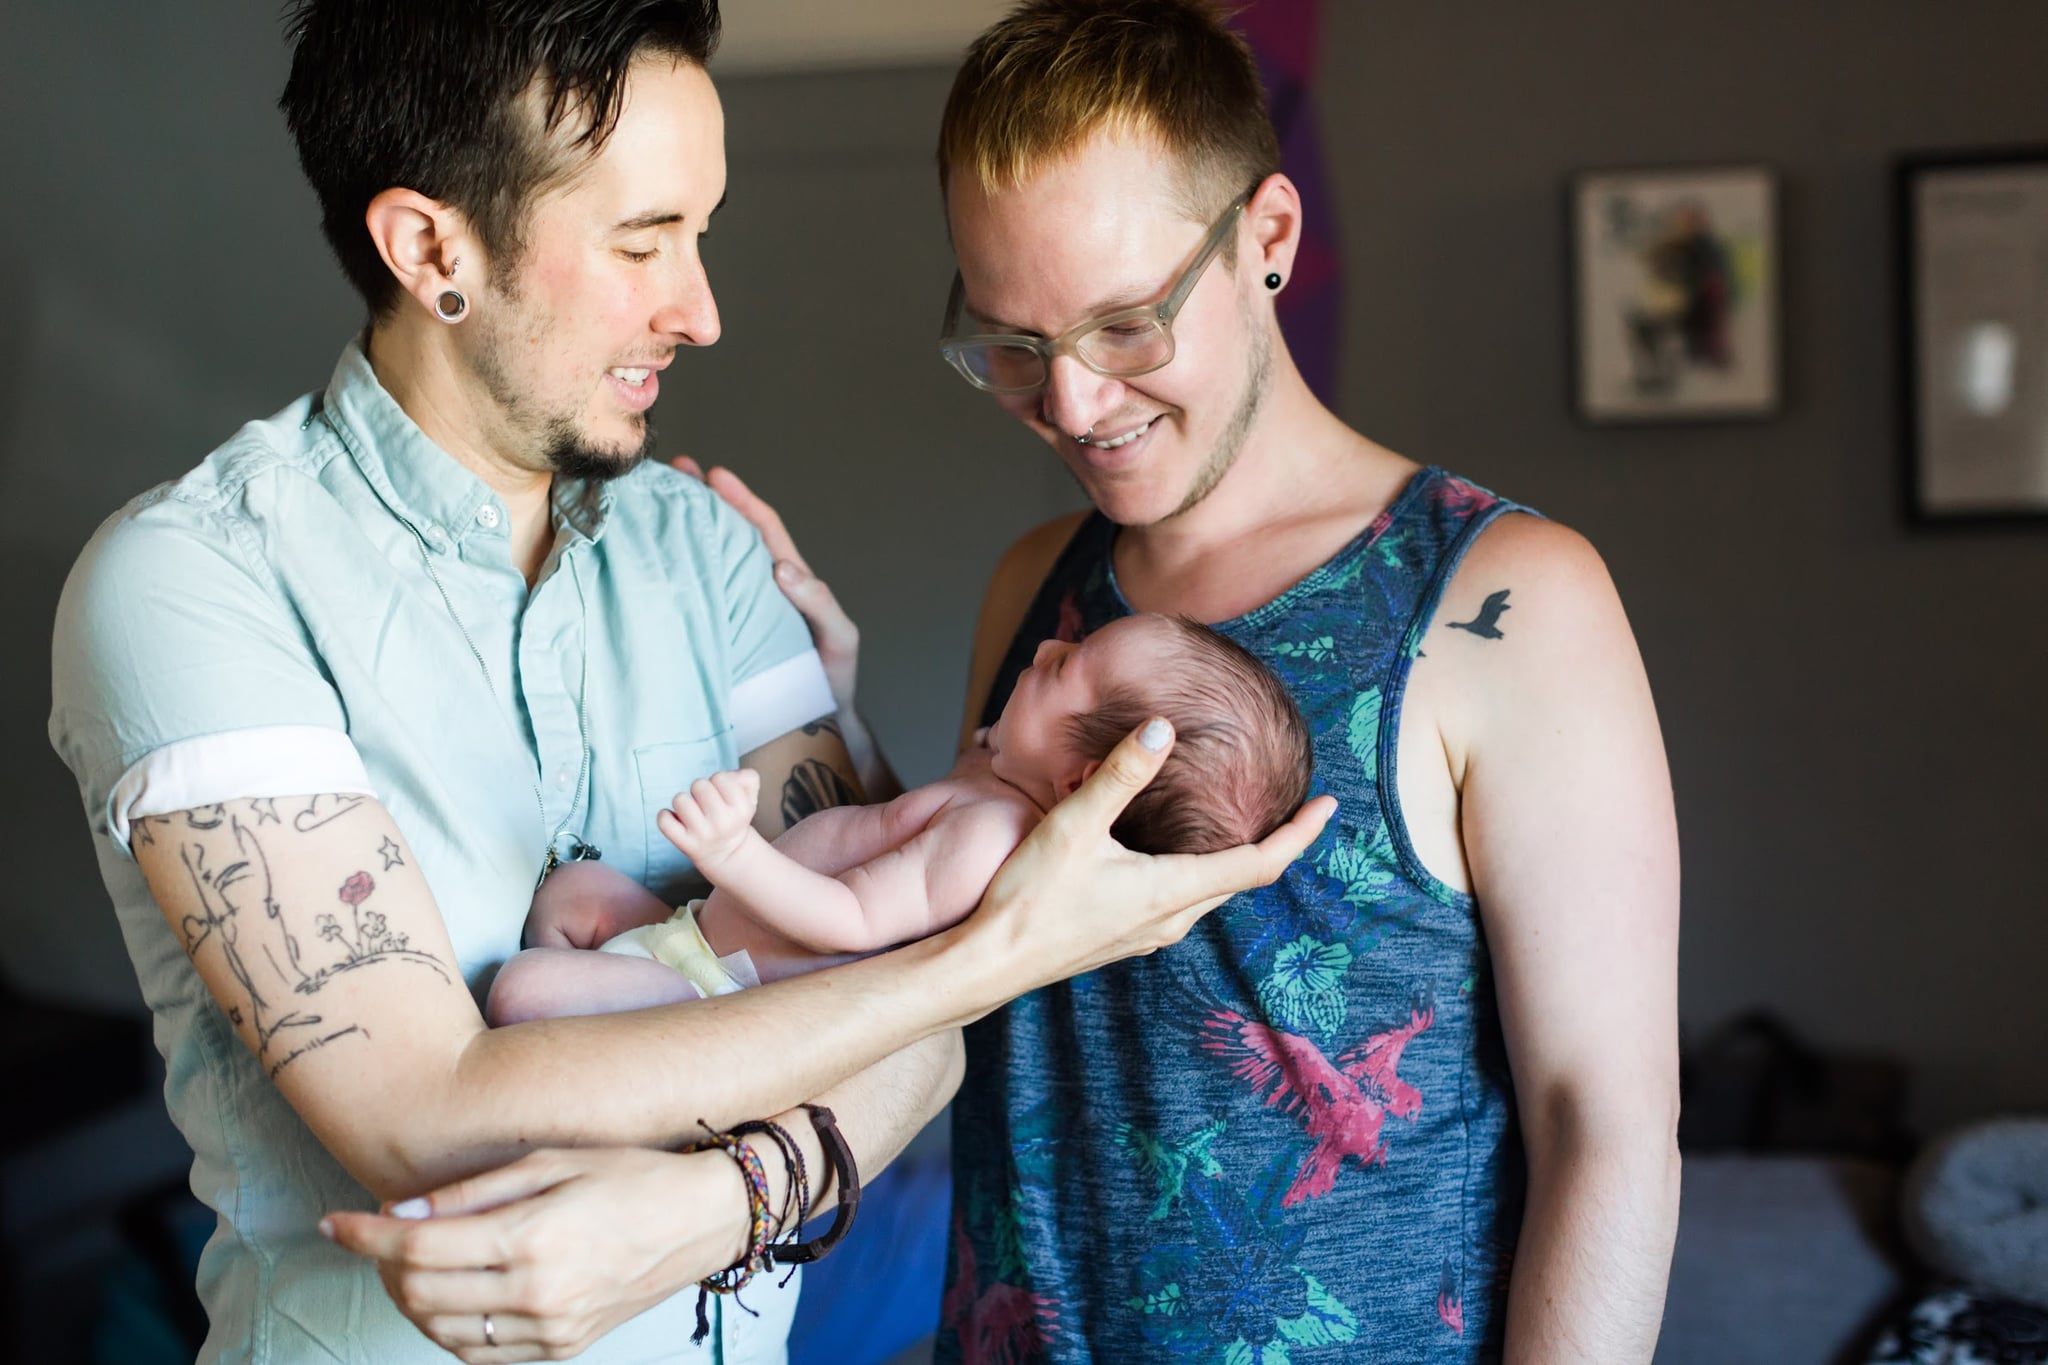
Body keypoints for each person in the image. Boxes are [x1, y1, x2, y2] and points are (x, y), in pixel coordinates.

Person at [339, 1, 1678, 1360]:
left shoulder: (1507, 602)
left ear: (1267, 240)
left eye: (1127, 327)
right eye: (1013, 346)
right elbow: (937, 948)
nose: (1075, 406)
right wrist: (835, 708)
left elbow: (1607, 1131)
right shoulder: (1039, 583)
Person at [45, 3, 1332, 1362]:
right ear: (433, 248)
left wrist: (727, 1199)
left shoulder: (705, 550)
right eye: (644, 240)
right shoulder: (192, 585)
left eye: (698, 234)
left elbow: (902, 1028)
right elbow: (431, 1107)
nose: (701, 310)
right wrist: (1003, 953)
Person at [488, 613, 1315, 1023]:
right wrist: (838, 695)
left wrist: (734, 851)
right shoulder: (992, 785)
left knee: (523, 991)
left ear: (1084, 778)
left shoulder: (989, 840)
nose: (1040, 653)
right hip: (693, 928)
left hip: (707, 989)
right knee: (574, 892)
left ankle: (603, 1095)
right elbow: (874, 821)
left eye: (1069, 668)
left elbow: (849, 920)